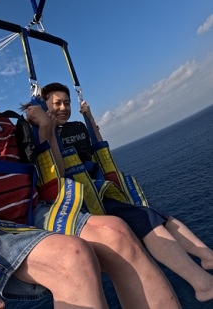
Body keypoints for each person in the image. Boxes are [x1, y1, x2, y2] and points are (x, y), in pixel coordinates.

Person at [0, 46, 180, 309]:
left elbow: (54, 174)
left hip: (34, 213)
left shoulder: (5, 122)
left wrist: (46, 129)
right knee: (72, 257)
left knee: (117, 233)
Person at [41, 82, 213, 303]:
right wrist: (48, 130)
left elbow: (98, 148)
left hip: (100, 191)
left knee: (159, 216)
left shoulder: (77, 128)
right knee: (145, 219)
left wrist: (90, 118)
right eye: (57, 103)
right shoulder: (41, 134)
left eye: (67, 103)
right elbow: (56, 173)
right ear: (45, 104)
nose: (64, 108)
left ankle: (206, 256)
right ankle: (202, 283)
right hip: (80, 201)